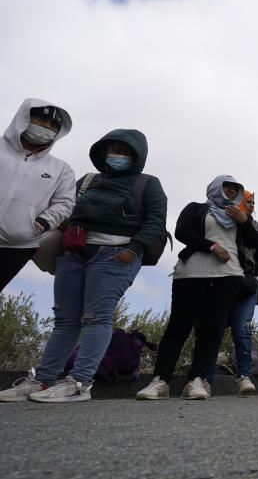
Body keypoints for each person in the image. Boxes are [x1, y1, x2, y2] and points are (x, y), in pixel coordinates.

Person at [1, 129, 166, 402]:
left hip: (114, 256)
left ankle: (79, 383)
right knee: (65, 320)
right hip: (74, 253)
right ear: (102, 153)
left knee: (97, 318)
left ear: (138, 156)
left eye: (126, 152)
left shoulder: (148, 183)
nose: (118, 156)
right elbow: (64, 205)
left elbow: (155, 220)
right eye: (114, 150)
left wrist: (132, 250)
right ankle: (42, 380)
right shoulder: (88, 180)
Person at [137, 176, 256, 400]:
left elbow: (254, 243)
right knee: (178, 327)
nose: (231, 191)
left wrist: (244, 221)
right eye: (226, 187)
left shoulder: (239, 216)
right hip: (191, 272)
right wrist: (212, 247)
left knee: (211, 329)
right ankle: (160, 381)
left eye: (235, 189)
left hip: (228, 275)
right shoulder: (196, 208)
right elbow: (182, 231)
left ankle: (197, 381)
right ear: (214, 188)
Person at [205, 190, 258, 395]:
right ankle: (205, 378)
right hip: (221, 280)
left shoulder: (254, 226)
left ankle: (244, 377)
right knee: (215, 329)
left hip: (247, 285)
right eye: (248, 201)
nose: (252, 205)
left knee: (242, 330)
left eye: (254, 202)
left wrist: (245, 223)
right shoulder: (221, 220)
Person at [0, 99, 75, 292]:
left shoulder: (61, 169)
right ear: (24, 118)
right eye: (41, 119)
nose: (47, 127)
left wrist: (44, 221)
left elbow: (65, 203)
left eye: (54, 125)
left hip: (17, 246)